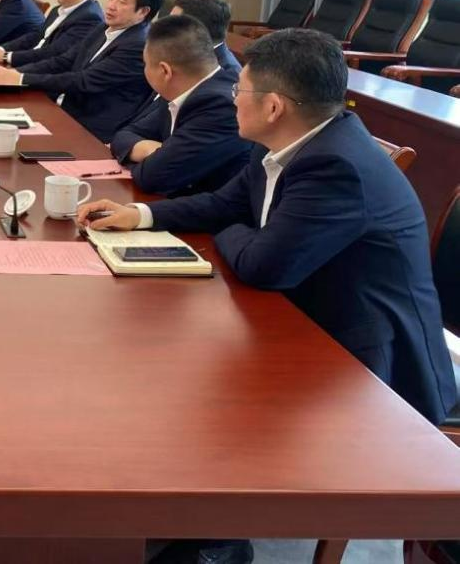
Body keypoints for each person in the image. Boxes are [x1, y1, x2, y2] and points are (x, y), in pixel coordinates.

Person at [80, 28, 457, 425]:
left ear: (274, 107)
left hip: (372, 372)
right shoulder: (282, 141)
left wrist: (230, 229)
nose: (232, 99)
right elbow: (225, 204)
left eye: (239, 91)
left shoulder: (335, 167)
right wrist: (140, 215)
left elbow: (264, 266)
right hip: (308, 319)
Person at [0, 0, 165, 142]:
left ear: (143, 11)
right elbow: (64, 61)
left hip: (91, 130)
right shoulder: (104, 28)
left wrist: (21, 78)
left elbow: (84, 81)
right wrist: (15, 73)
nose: (111, 5)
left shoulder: (138, 45)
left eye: (122, 2)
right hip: (65, 110)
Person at [109, 15, 250, 196]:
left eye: (146, 64)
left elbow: (152, 177)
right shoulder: (178, 89)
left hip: (201, 210)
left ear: (165, 71)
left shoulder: (221, 107)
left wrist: (159, 157)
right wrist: (153, 151)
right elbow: (124, 135)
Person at [170, 0, 240, 74]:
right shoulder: (189, 53)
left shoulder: (227, 75)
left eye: (172, 23)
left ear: (196, 31)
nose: (166, 29)